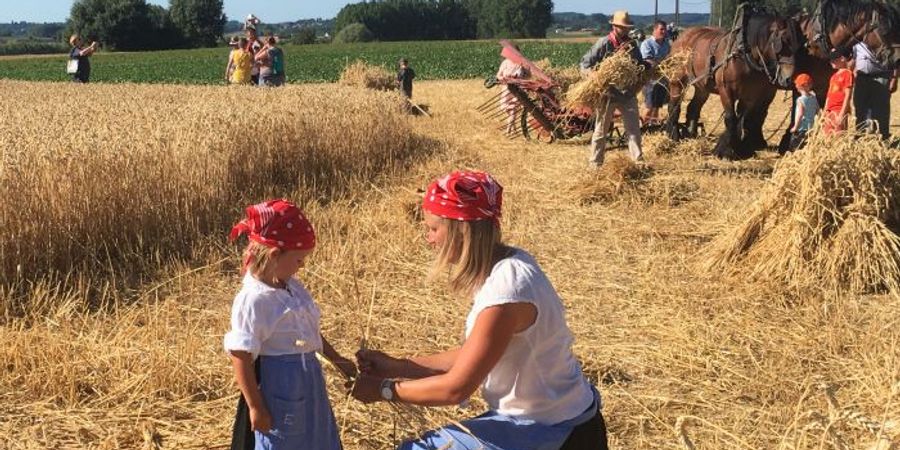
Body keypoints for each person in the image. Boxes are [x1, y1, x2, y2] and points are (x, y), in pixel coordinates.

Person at [351, 171, 608, 450]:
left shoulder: (505, 293)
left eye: (434, 229)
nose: (429, 239)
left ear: (462, 230)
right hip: (565, 417)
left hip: (553, 429)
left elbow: (456, 388)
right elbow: (474, 356)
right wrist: (398, 366)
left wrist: (384, 390)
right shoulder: (509, 263)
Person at [224, 199, 356, 450]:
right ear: (275, 255)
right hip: (281, 386)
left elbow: (308, 331)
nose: (302, 266)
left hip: (308, 381)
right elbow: (240, 355)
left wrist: (338, 360)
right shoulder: (253, 300)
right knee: (286, 441)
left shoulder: (289, 285)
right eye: (298, 260)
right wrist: (256, 406)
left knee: (315, 438)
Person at [580, 11, 648, 167]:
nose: (624, 30)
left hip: (628, 94)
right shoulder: (604, 43)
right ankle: (595, 164)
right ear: (614, 26)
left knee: (633, 130)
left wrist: (646, 67)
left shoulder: (631, 45)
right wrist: (594, 75)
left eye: (626, 27)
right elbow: (585, 64)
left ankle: (638, 162)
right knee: (601, 130)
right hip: (608, 94)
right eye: (622, 27)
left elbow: (639, 65)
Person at [853, 41, 897, 139]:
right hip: (862, 78)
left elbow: (894, 60)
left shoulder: (882, 40)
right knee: (860, 107)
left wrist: (894, 78)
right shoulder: (856, 44)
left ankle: (883, 136)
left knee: (881, 109)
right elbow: (853, 59)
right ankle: (861, 136)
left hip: (881, 77)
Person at [640, 20, 671, 125]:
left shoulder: (666, 44)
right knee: (649, 107)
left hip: (663, 80)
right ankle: (642, 128)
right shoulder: (647, 43)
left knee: (657, 106)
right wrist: (663, 64)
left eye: (665, 29)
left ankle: (652, 128)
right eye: (661, 29)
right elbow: (648, 61)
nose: (664, 31)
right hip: (650, 81)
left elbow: (670, 59)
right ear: (655, 30)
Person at [497, 44, 529, 135]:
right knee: (506, 108)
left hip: (518, 89)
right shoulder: (505, 63)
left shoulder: (521, 63)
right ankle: (513, 126)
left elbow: (528, 75)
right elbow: (499, 75)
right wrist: (502, 78)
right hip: (507, 89)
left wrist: (522, 76)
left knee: (513, 109)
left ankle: (508, 131)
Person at [823, 46, 854, 135]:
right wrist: (825, 111)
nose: (831, 61)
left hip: (839, 110)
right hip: (830, 111)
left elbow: (848, 95)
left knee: (838, 136)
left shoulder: (847, 74)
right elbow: (829, 96)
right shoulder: (833, 76)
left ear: (842, 59)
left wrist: (842, 114)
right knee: (827, 136)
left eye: (834, 59)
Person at [787, 73, 819, 151]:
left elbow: (800, 115)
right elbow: (818, 111)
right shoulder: (814, 98)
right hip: (811, 128)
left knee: (795, 148)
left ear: (798, 86)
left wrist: (795, 127)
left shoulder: (800, 100)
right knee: (806, 148)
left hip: (801, 129)